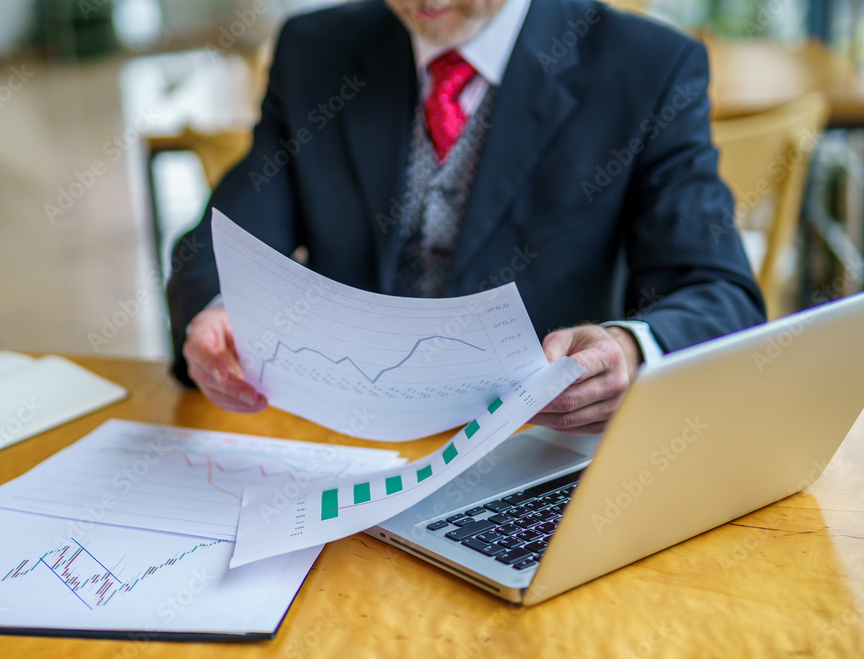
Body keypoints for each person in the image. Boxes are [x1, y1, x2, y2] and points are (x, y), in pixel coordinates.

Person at [166, 0, 765, 434]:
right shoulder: (313, 50)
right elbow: (215, 252)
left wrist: (629, 350)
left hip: (533, 450)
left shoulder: (648, 69)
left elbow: (717, 291)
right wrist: (221, 316)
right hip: (336, 445)